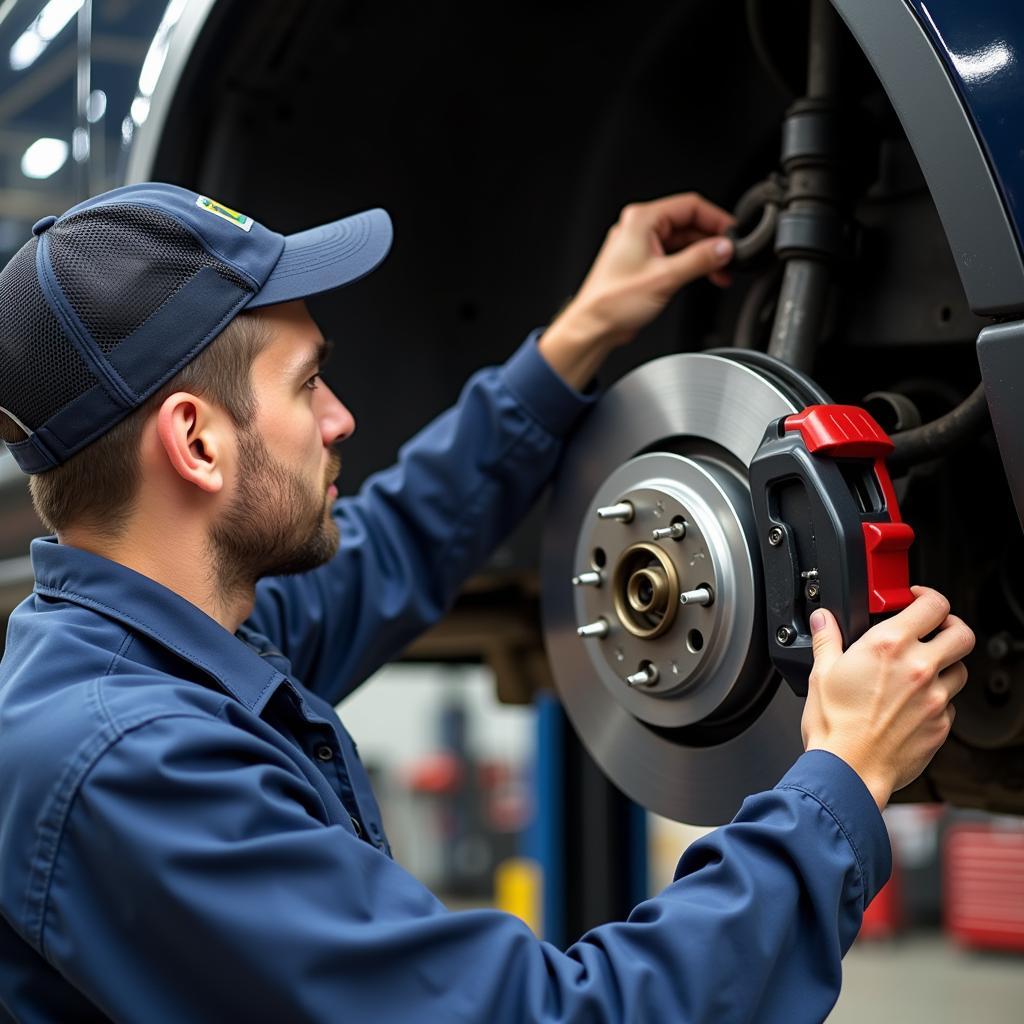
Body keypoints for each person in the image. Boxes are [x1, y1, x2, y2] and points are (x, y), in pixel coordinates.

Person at [0, 183, 973, 1023]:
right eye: (306, 384)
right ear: (196, 443)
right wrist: (838, 783)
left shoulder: (152, 648)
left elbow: (396, 542)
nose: (341, 416)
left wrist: (578, 335)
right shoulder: (130, 767)